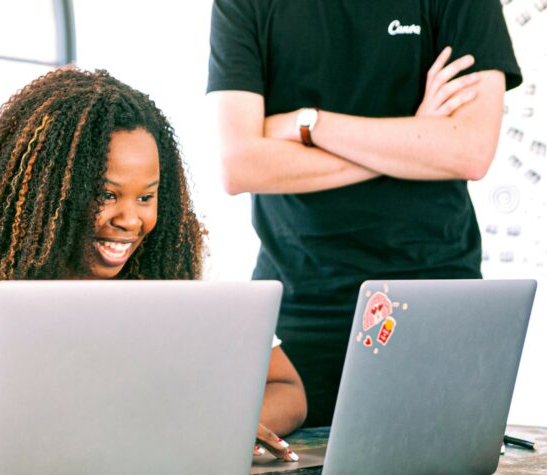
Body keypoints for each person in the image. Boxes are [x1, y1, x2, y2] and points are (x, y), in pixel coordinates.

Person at [0, 68, 307, 460]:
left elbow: (287, 390)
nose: (129, 220)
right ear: (51, 190)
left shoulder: (180, 256)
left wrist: (221, 426)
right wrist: (182, 423)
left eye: (146, 198)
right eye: (106, 194)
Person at [205, 0, 522, 427]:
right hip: (296, 313)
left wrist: (309, 124)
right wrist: (415, 137)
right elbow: (239, 165)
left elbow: (469, 151)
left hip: (434, 300)